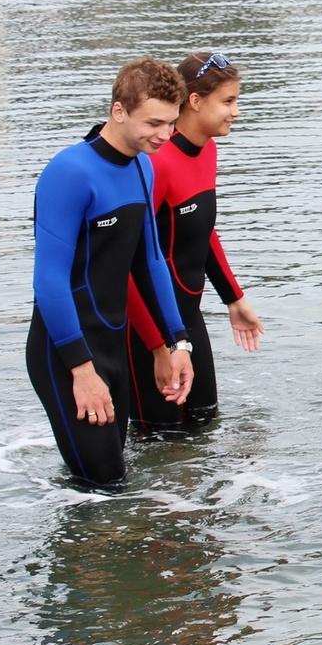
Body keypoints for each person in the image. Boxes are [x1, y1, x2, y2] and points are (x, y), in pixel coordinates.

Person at [29, 59, 195, 486]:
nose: (164, 136)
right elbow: (48, 282)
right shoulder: (69, 172)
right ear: (119, 111)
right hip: (65, 353)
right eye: (154, 123)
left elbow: (151, 261)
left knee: (108, 483)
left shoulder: (143, 164)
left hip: (112, 348)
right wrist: (82, 372)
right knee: (101, 487)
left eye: (172, 124)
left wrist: (178, 342)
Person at [125, 51, 264, 434]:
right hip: (148, 326)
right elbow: (131, 258)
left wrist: (234, 299)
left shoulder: (208, 152)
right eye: (229, 101)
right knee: (160, 437)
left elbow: (203, 231)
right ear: (197, 101)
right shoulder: (156, 164)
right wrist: (158, 344)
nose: (236, 111)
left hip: (188, 318)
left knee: (205, 422)